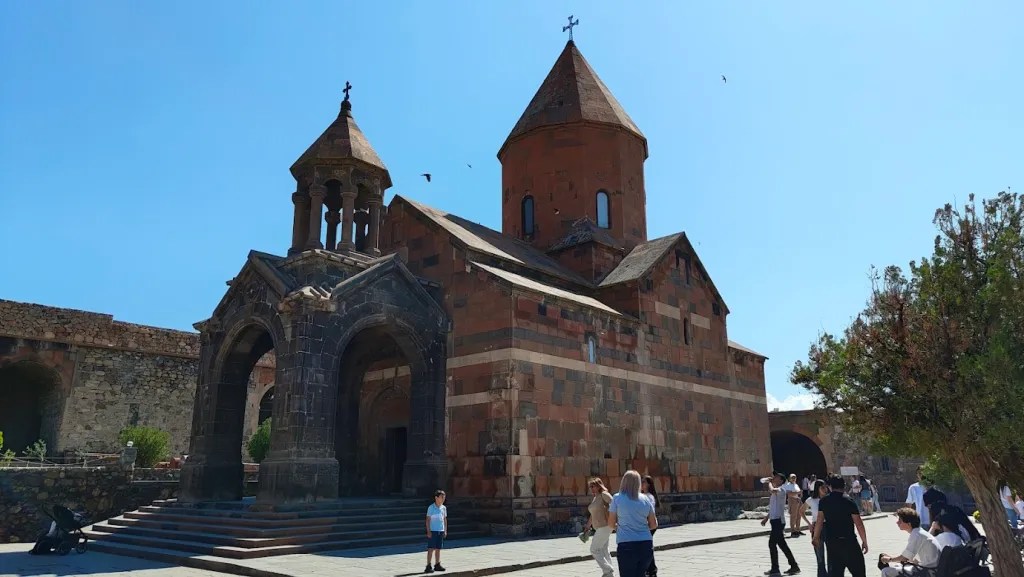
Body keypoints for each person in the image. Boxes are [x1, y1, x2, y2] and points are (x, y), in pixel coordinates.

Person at [813, 474, 868, 577]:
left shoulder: (824, 501)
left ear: (830, 486)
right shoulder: (849, 501)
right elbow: (858, 523)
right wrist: (864, 541)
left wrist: (816, 537)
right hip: (849, 541)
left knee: (835, 573)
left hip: (833, 543)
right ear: (844, 486)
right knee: (859, 572)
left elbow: (819, 521)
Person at [609, 470, 657, 577]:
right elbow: (653, 524)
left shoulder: (617, 498)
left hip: (627, 544)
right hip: (646, 544)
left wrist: (620, 528)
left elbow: (611, 523)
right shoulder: (646, 499)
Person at [878, 507, 941, 576]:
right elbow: (909, 557)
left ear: (909, 524)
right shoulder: (919, 532)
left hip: (928, 572)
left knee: (886, 571)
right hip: (930, 569)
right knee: (897, 566)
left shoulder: (916, 535)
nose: (897, 522)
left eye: (900, 520)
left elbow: (904, 558)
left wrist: (889, 559)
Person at [762, 472, 801, 576]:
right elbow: (773, 507)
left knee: (772, 544)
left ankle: (775, 568)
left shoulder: (781, 490)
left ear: (781, 480)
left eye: (776, 477)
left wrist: (769, 482)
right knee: (782, 545)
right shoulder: (776, 492)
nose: (774, 478)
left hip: (778, 522)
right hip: (774, 520)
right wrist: (766, 518)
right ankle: (794, 566)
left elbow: (772, 490)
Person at [583, 477, 615, 577]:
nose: (591, 488)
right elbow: (593, 515)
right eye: (590, 487)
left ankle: (608, 570)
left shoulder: (604, 494)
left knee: (594, 549)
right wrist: (587, 526)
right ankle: (609, 574)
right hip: (599, 527)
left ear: (598, 486)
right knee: (604, 550)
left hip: (605, 526)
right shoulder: (595, 497)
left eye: (593, 486)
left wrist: (615, 519)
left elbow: (614, 504)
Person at [801, 479, 830, 577]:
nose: (825, 489)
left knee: (831, 552)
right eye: (822, 488)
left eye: (825, 487)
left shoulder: (829, 499)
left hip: (828, 526)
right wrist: (809, 524)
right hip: (816, 526)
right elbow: (801, 511)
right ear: (818, 488)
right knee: (819, 554)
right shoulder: (811, 500)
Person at [424, 489, 448, 573]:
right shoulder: (431, 507)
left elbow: (444, 519)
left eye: (444, 497)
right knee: (431, 548)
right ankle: (428, 565)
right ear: (436, 498)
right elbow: (427, 520)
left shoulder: (443, 508)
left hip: (440, 530)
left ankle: (437, 564)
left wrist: (445, 530)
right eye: (442, 497)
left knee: (438, 548)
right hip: (433, 530)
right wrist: (428, 531)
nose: (443, 499)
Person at [641, 475, 660, 577]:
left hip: (649, 525)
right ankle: (650, 570)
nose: (641, 484)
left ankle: (651, 570)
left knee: (647, 548)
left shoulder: (649, 496)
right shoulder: (642, 495)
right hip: (645, 526)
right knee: (646, 547)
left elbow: (649, 512)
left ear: (648, 484)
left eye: (643, 482)